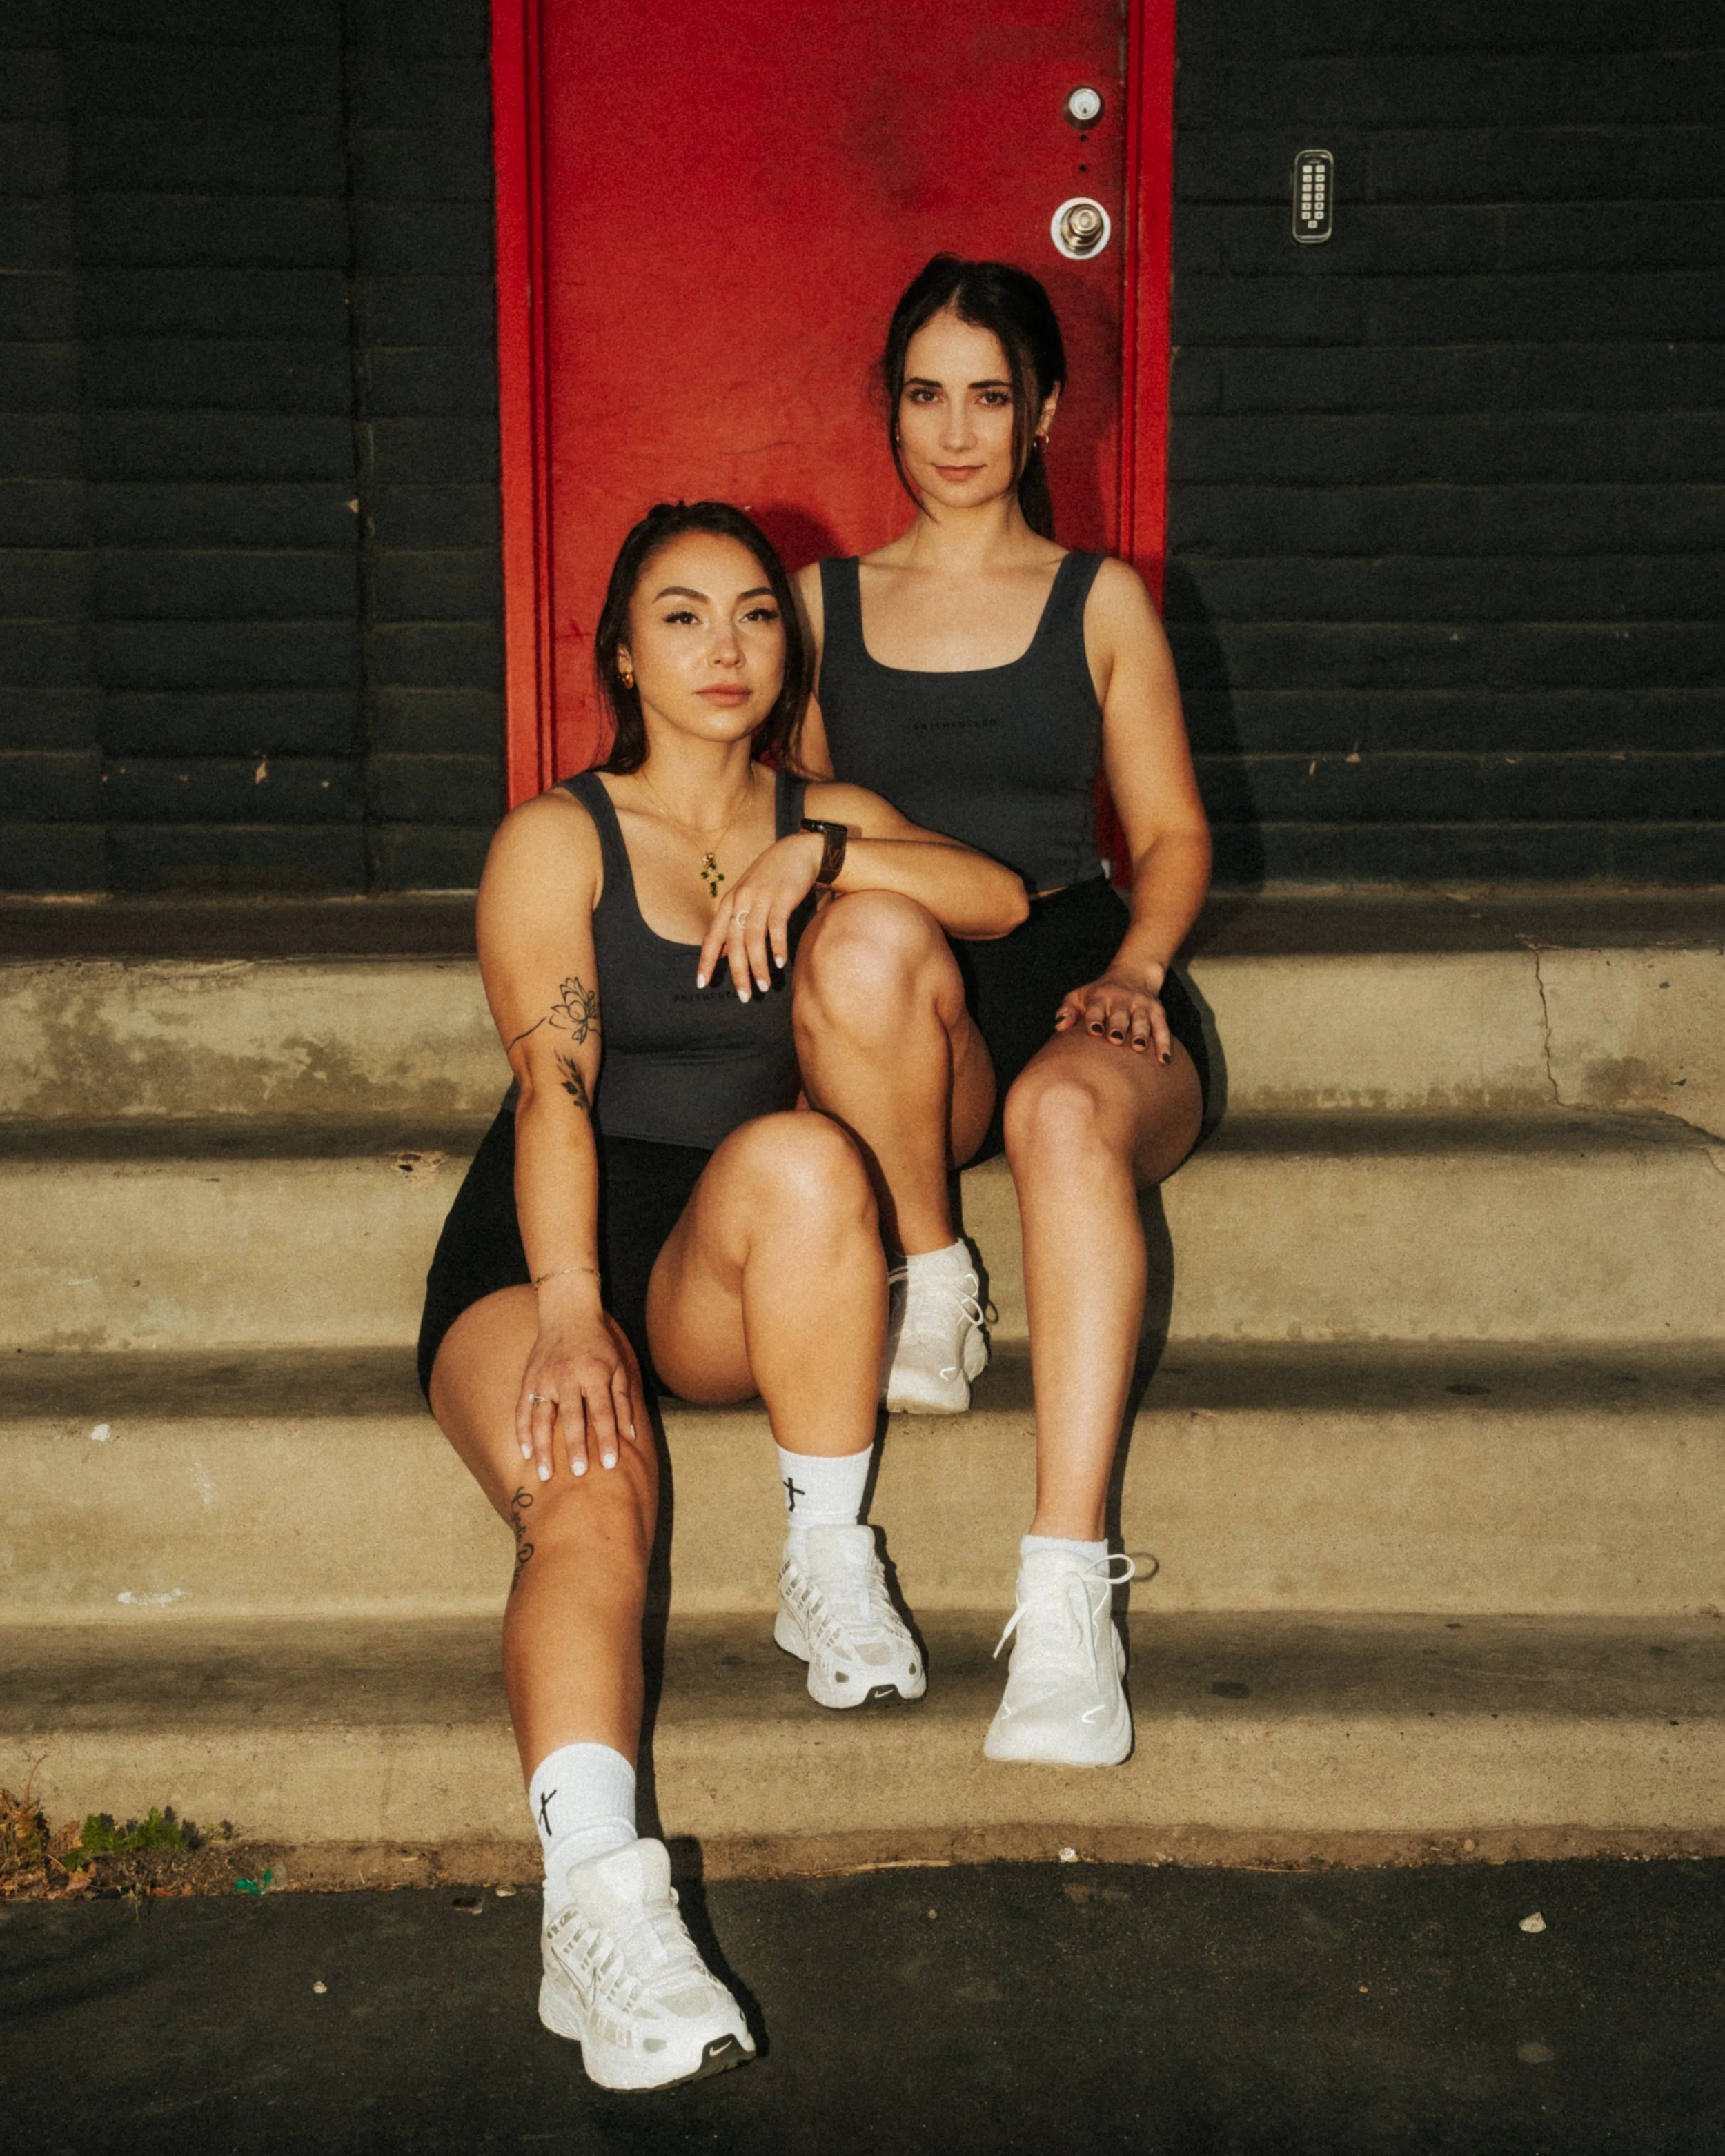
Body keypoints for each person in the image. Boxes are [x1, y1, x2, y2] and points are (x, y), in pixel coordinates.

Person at [419, 499, 1026, 2091]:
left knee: (810, 1162)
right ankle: (599, 1904)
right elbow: (552, 1092)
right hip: (554, 1232)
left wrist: (819, 848)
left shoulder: (827, 809)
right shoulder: (556, 838)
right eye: (681, 616)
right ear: (621, 652)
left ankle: (825, 1558)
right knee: (592, 1501)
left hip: (734, 1244)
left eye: (756, 614)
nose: (724, 648)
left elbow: (998, 901)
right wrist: (565, 1308)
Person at [791, 255, 1213, 1769]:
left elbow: (1165, 834)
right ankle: (935, 1267)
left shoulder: (1098, 599)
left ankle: (1065, 1593)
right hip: (913, 1011)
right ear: (887, 408)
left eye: (988, 393)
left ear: (1040, 413)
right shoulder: (819, 607)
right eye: (923, 393)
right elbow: (794, 820)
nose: (954, 428)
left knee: (1054, 1109)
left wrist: (1137, 971)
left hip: (1083, 967)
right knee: (863, 939)